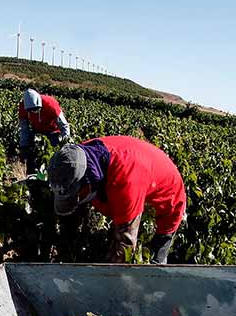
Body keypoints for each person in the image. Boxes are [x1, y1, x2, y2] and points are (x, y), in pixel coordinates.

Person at [47, 137, 186, 264]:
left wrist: (106, 280)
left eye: (77, 196)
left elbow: (125, 244)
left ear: (88, 183)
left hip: (166, 198)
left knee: (153, 263)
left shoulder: (124, 183)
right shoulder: (76, 159)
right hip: (139, 176)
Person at [19, 89, 71, 174]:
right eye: (31, 111)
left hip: (53, 132)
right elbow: (24, 128)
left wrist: (65, 144)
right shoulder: (23, 106)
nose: (34, 112)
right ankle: (32, 179)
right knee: (32, 158)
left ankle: (52, 178)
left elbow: (64, 126)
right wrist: (23, 146)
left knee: (52, 159)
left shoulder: (50, 103)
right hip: (37, 133)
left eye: (36, 109)